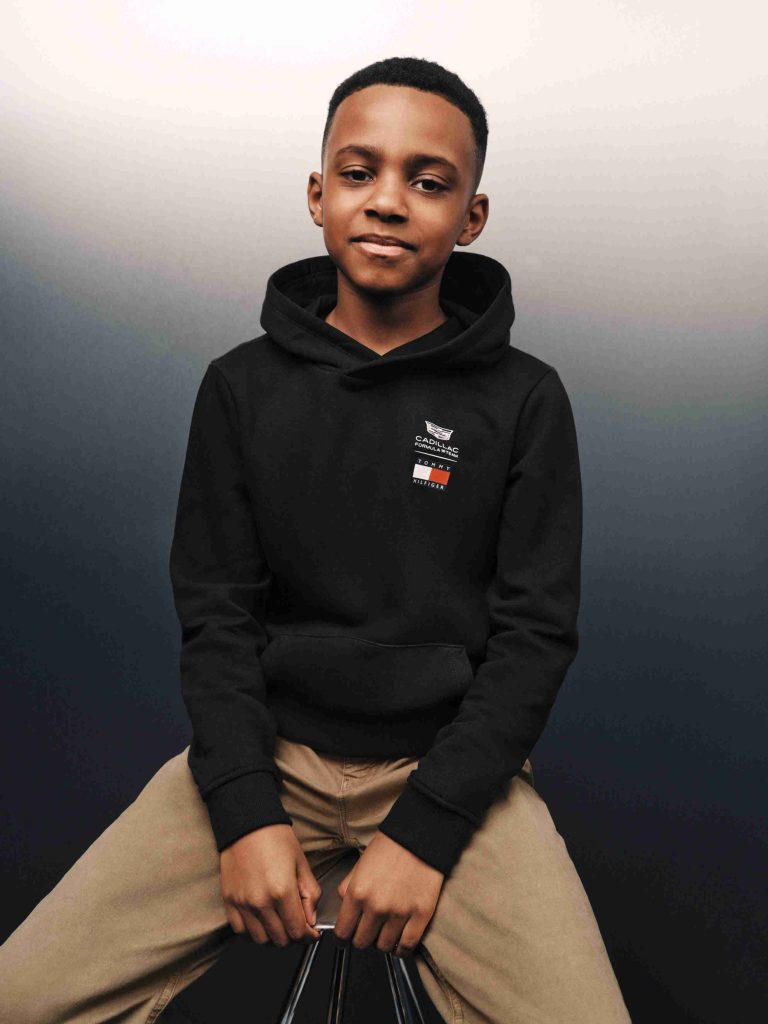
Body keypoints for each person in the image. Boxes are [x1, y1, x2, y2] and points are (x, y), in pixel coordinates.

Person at [0, 57, 632, 1023]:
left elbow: (535, 637)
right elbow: (216, 615)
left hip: (449, 774)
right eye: (359, 171)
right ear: (316, 194)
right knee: (22, 995)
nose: (387, 201)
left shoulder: (525, 399)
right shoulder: (240, 387)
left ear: (471, 217)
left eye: (428, 181)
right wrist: (246, 813)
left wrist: (426, 833)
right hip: (268, 755)